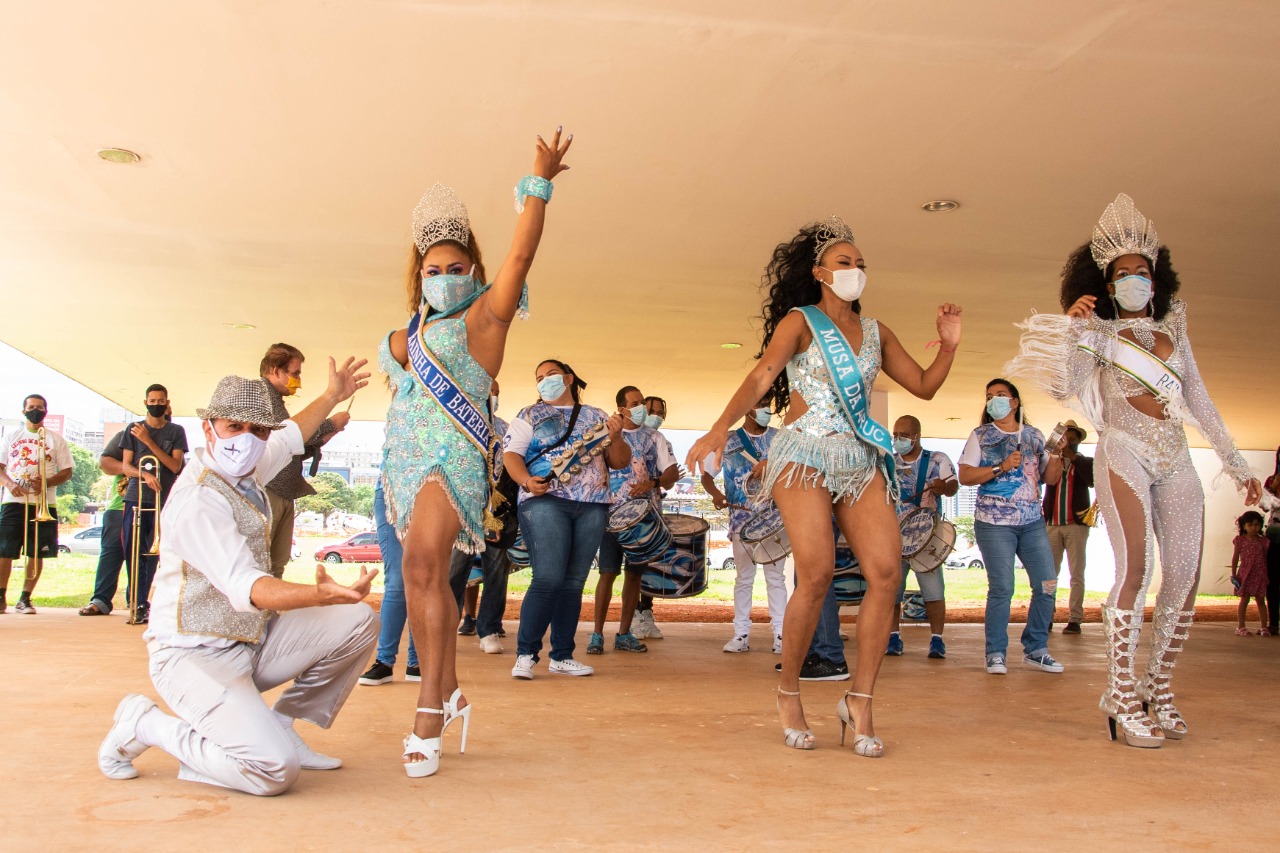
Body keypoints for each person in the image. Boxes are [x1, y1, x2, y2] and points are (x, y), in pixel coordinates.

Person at [688, 216, 962, 756]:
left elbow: (925, 387)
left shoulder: (877, 332)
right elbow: (764, 374)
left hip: (858, 458)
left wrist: (949, 347)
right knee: (815, 572)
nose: (855, 270)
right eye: (845, 262)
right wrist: (721, 426)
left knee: (886, 572)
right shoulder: (801, 321)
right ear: (819, 272)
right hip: (804, 456)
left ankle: (859, 700)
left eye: (860, 263)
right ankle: (789, 693)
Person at [1007, 193, 1262, 747]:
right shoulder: (1097, 333)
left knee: (1187, 579)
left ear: (1155, 278)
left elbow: (1200, 400)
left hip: (1175, 455)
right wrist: (1075, 330)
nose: (1132, 281)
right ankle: (1120, 694)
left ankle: (1158, 686)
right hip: (1124, 450)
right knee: (1135, 570)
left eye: (1140, 272)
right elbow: (1058, 387)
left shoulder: (1175, 331)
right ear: (1105, 282)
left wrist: (1238, 465)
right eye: (1121, 274)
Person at [381, 128, 571, 779]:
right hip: (406, 460)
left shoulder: (486, 317)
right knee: (422, 577)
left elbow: (521, 256)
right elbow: (397, 365)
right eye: (430, 271)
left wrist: (538, 185)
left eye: (454, 268)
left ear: (474, 272)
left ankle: (429, 704)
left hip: (454, 458)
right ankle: (453, 686)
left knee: (423, 562)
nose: (441, 279)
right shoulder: (413, 334)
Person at [96, 364, 377, 795]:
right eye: (233, 427)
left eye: (257, 430)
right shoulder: (198, 499)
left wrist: (331, 396)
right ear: (209, 429)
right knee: (272, 772)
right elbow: (247, 585)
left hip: (249, 642)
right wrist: (317, 596)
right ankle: (147, 725)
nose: (246, 439)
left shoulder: (245, 468)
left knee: (359, 620)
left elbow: (290, 437)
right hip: (193, 656)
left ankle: (281, 725)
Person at [504, 360, 629, 677]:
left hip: (592, 504)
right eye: (539, 378)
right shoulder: (528, 414)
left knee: (574, 583)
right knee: (548, 578)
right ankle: (526, 655)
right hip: (545, 500)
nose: (544, 381)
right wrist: (525, 481)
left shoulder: (597, 416)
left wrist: (615, 436)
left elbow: (618, 461)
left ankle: (561, 655)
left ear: (569, 378)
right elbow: (511, 455)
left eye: (550, 375)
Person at [957, 379, 1064, 676]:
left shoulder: (1034, 436)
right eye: (989, 396)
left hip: (1031, 523)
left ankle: (1037, 648)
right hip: (994, 524)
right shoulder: (981, 435)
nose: (994, 401)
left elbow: (1050, 478)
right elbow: (965, 476)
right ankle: (995, 653)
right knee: (1003, 588)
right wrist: (999, 467)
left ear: (1015, 402)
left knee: (1047, 584)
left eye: (1000, 396)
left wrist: (1055, 454)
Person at [700, 397, 785, 653]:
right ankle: (741, 634)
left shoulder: (780, 439)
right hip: (741, 521)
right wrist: (716, 495)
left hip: (774, 521)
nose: (766, 410)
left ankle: (781, 634)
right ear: (748, 409)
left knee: (775, 578)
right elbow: (706, 476)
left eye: (768, 404)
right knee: (744, 579)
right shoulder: (728, 440)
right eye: (761, 404)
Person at [260, 343, 351, 578]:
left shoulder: (274, 401)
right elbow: (286, 435)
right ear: (275, 370)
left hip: (281, 492)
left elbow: (289, 449)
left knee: (276, 563)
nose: (298, 380)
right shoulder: (261, 396)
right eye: (295, 373)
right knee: (264, 563)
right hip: (270, 490)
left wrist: (322, 438)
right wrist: (330, 423)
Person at [590, 386, 662, 654]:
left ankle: (623, 633)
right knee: (607, 573)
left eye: (642, 401)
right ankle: (596, 634)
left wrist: (653, 483)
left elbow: (668, 475)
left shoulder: (652, 438)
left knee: (634, 576)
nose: (641, 406)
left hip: (642, 518)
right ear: (622, 409)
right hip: (611, 518)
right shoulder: (604, 433)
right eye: (636, 402)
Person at [887, 415, 957, 659]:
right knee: (892, 590)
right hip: (894, 537)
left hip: (927, 537)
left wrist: (943, 487)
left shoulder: (938, 460)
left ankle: (937, 640)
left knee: (933, 591)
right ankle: (893, 637)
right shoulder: (888, 461)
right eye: (895, 435)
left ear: (917, 436)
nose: (898, 439)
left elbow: (953, 486)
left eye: (903, 435)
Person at [450, 380, 512, 654]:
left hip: (493, 513)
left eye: (496, 392)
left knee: (497, 571)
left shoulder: (505, 429)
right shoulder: (456, 422)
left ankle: (488, 629)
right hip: (462, 512)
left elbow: (510, 472)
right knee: (455, 571)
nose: (492, 396)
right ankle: (446, 624)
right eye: (487, 391)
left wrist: (501, 511)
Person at [119, 384, 188, 624]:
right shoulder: (133, 429)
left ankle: (156, 603)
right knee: (133, 551)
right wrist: (144, 475)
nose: (156, 405)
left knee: (159, 554)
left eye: (161, 401)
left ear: (167, 403)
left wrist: (148, 442)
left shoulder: (176, 431)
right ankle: (137, 602)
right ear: (145, 402)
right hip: (136, 498)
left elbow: (174, 466)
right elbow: (126, 466)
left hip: (165, 500)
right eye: (152, 400)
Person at [0, 394, 74, 614]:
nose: (35, 410)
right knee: (4, 551)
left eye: (40, 407)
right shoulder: (11, 435)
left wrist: (47, 482)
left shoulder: (55, 439)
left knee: (36, 552)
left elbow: (67, 471)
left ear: (46, 411)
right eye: (31, 407)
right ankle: (0, 596)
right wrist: (9, 484)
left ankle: (25, 598)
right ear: (23, 411)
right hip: (14, 501)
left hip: (43, 503)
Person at [358, 477, 420, 685]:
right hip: (392, 491)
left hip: (431, 492)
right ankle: (384, 662)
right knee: (397, 580)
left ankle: (418, 663)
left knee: (423, 580)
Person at [632, 394, 681, 640]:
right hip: (623, 512)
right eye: (650, 409)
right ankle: (631, 617)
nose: (655, 415)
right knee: (626, 567)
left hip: (652, 509)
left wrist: (664, 480)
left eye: (660, 412)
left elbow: (670, 480)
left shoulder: (661, 440)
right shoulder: (622, 436)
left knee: (648, 563)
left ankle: (646, 612)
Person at [1042, 420, 1095, 634]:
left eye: (1073, 440)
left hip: (1077, 526)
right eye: (1065, 438)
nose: (1069, 443)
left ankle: (1075, 619)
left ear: (1079, 442)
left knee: (1077, 573)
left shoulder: (1085, 462)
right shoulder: (1051, 461)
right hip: (1052, 524)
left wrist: (1072, 456)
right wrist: (1055, 453)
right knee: (1049, 574)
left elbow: (1091, 480)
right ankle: (1047, 615)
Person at [79, 430, 133, 615]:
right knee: (111, 554)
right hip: (120, 506)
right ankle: (100, 600)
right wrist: (131, 469)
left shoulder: (172, 435)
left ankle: (137, 603)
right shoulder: (128, 434)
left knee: (144, 558)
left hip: (153, 505)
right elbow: (104, 463)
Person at [1231, 511, 1270, 636]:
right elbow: (1235, 557)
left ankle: (1264, 627)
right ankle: (1241, 627)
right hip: (1245, 574)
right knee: (1245, 599)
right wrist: (1234, 574)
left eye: (1257, 525)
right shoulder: (1240, 540)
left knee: (1260, 599)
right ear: (1243, 526)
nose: (1254, 528)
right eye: (1250, 525)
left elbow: (1266, 558)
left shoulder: (1263, 541)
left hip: (1260, 574)